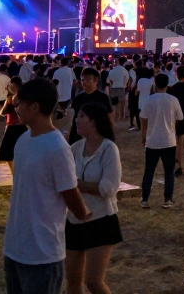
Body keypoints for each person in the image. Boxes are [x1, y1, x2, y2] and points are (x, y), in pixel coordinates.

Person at [4, 77, 92, 294]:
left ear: (34, 107)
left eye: (19, 104)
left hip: (42, 253)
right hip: (15, 246)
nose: (16, 109)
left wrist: (85, 214)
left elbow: (70, 193)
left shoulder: (57, 148)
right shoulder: (23, 140)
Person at [67, 102, 123, 294]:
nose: (77, 120)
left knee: (93, 282)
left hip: (100, 221)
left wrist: (76, 184)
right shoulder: (74, 148)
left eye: (81, 116)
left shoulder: (109, 149)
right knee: (73, 283)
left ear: (94, 121)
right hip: (74, 220)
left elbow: (108, 189)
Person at [139, 73, 183, 208]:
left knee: (149, 170)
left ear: (155, 84)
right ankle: (168, 199)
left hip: (152, 140)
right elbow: (179, 118)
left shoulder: (148, 100)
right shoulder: (173, 100)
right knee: (169, 171)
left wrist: (143, 136)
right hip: (169, 140)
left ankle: (145, 199)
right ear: (167, 85)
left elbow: (143, 120)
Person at [69, 68, 111, 145]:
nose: (84, 82)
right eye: (82, 80)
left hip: (98, 134)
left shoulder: (103, 97)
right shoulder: (78, 98)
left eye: (88, 79)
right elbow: (74, 119)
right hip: (80, 136)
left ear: (96, 80)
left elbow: (109, 117)